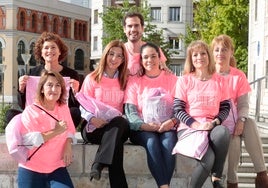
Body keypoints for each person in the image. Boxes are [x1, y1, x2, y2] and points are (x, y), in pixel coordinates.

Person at [211, 34, 268, 188]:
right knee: (234, 141)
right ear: (212, 53)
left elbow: (243, 104)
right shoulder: (209, 76)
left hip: (236, 121)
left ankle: (262, 174)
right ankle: (232, 182)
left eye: (224, 49)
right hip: (218, 124)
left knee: (249, 121)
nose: (220, 53)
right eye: (217, 50)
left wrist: (241, 121)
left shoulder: (239, 76)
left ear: (231, 52)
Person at [173, 40, 230, 188]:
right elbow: (178, 109)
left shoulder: (220, 80)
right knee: (208, 159)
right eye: (195, 54)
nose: (200, 57)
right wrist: (197, 124)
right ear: (190, 59)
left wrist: (214, 123)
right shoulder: (184, 80)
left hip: (211, 125)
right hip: (189, 128)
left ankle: (216, 177)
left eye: (203, 53)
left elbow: (225, 107)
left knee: (223, 132)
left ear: (209, 56)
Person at [124, 42, 178, 188]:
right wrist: (145, 126)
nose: (150, 60)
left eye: (153, 56)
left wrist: (172, 122)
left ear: (160, 58)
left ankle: (163, 185)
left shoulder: (173, 80)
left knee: (169, 143)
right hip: (142, 129)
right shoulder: (134, 82)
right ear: (141, 61)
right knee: (152, 142)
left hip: (168, 127)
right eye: (145, 57)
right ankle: (165, 186)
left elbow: (180, 108)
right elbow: (131, 112)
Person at [78, 40, 130, 188]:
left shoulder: (125, 80)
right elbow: (82, 105)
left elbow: (129, 107)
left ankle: (99, 163)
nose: (114, 59)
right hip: (94, 128)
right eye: (111, 54)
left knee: (120, 122)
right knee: (116, 145)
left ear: (123, 60)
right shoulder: (92, 78)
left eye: (119, 56)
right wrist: (92, 118)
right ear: (105, 55)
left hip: (117, 126)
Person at [8, 32, 81, 127]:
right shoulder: (32, 72)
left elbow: (75, 106)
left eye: (53, 47)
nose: (50, 50)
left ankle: (57, 131)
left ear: (60, 51)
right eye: (46, 48)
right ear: (41, 53)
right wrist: (21, 89)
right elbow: (23, 105)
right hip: (37, 115)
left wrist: (76, 92)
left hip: (59, 116)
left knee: (75, 112)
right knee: (10, 114)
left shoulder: (71, 74)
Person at [18, 70, 76, 188]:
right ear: (42, 89)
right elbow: (29, 141)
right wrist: (56, 131)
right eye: (50, 85)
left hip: (57, 168)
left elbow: (70, 130)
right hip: (31, 169)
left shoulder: (63, 108)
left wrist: (68, 144)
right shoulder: (31, 111)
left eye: (58, 85)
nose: (54, 89)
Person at [123, 12, 168, 76]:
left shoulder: (154, 50)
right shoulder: (119, 52)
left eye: (136, 25)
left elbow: (164, 74)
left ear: (142, 28)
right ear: (124, 29)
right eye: (130, 26)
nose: (133, 29)